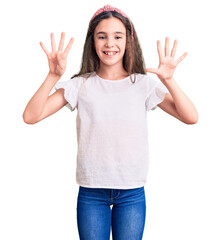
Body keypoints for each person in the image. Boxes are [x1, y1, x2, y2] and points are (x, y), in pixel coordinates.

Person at [23, 4, 198, 240]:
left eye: (118, 36)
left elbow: (190, 117)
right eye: (102, 36)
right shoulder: (80, 85)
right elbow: (31, 116)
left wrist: (169, 81)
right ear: (92, 41)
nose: (110, 43)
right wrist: (53, 76)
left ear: (129, 40)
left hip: (131, 193)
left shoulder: (143, 85)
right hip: (92, 193)